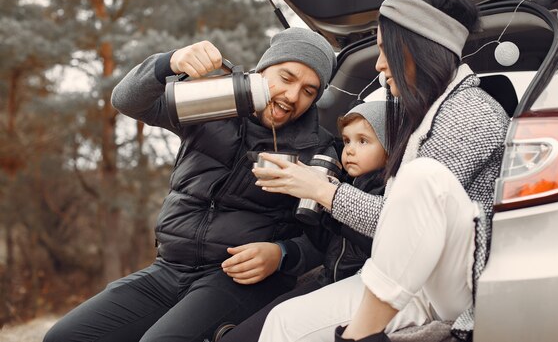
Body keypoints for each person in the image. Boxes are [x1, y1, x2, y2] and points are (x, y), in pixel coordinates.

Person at [251, 0, 510, 342]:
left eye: (384, 49)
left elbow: (400, 225)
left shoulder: (469, 113)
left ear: (416, 48)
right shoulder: (427, 116)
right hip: (415, 277)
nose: (378, 65)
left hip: (460, 282)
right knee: (284, 322)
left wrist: (321, 190)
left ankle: (360, 334)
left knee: (423, 176)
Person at [43, 27, 339, 342]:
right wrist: (169, 62)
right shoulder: (212, 105)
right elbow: (127, 100)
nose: (292, 96)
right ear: (263, 69)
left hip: (236, 280)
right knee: (64, 337)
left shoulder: (319, 150)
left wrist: (281, 254)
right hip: (169, 268)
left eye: (309, 91)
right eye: (287, 77)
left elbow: (327, 237)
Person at [220, 100, 388, 342]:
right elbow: (325, 244)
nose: (350, 149)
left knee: (276, 321)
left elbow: (373, 239)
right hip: (328, 278)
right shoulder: (347, 183)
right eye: (347, 140)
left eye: (363, 141)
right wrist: (307, 204)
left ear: (389, 147)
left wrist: (330, 200)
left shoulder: (384, 193)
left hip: (353, 288)